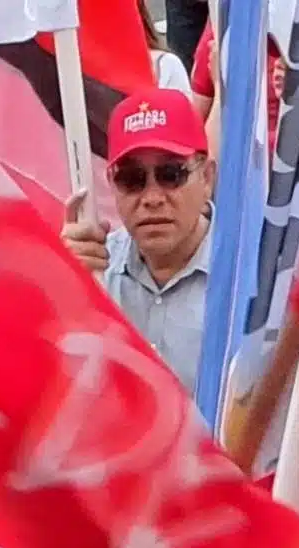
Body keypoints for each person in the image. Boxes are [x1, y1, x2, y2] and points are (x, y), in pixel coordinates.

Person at [59, 87, 217, 390]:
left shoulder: (251, 276)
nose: (153, 197)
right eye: (131, 180)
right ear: (112, 185)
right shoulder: (92, 267)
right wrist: (64, 290)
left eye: (171, 174)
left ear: (206, 179)